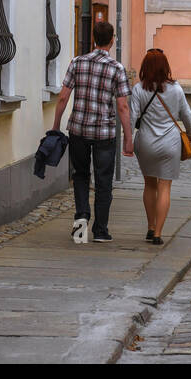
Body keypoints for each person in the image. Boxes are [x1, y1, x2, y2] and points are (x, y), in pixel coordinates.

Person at [52, 20, 133, 242]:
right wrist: (128, 137)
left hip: (78, 129)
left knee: (80, 176)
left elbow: (63, 97)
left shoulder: (77, 63)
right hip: (104, 133)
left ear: (93, 39)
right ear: (112, 39)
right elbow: (123, 106)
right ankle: (100, 231)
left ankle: (80, 228)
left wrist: (56, 126)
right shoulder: (116, 68)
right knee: (103, 180)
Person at [130, 48, 191, 244]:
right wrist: (189, 133)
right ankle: (158, 233)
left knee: (149, 185)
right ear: (165, 67)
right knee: (165, 187)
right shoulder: (176, 89)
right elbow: (187, 116)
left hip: (146, 142)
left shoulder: (139, 89)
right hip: (171, 143)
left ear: (145, 67)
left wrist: (126, 140)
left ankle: (150, 227)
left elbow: (132, 118)